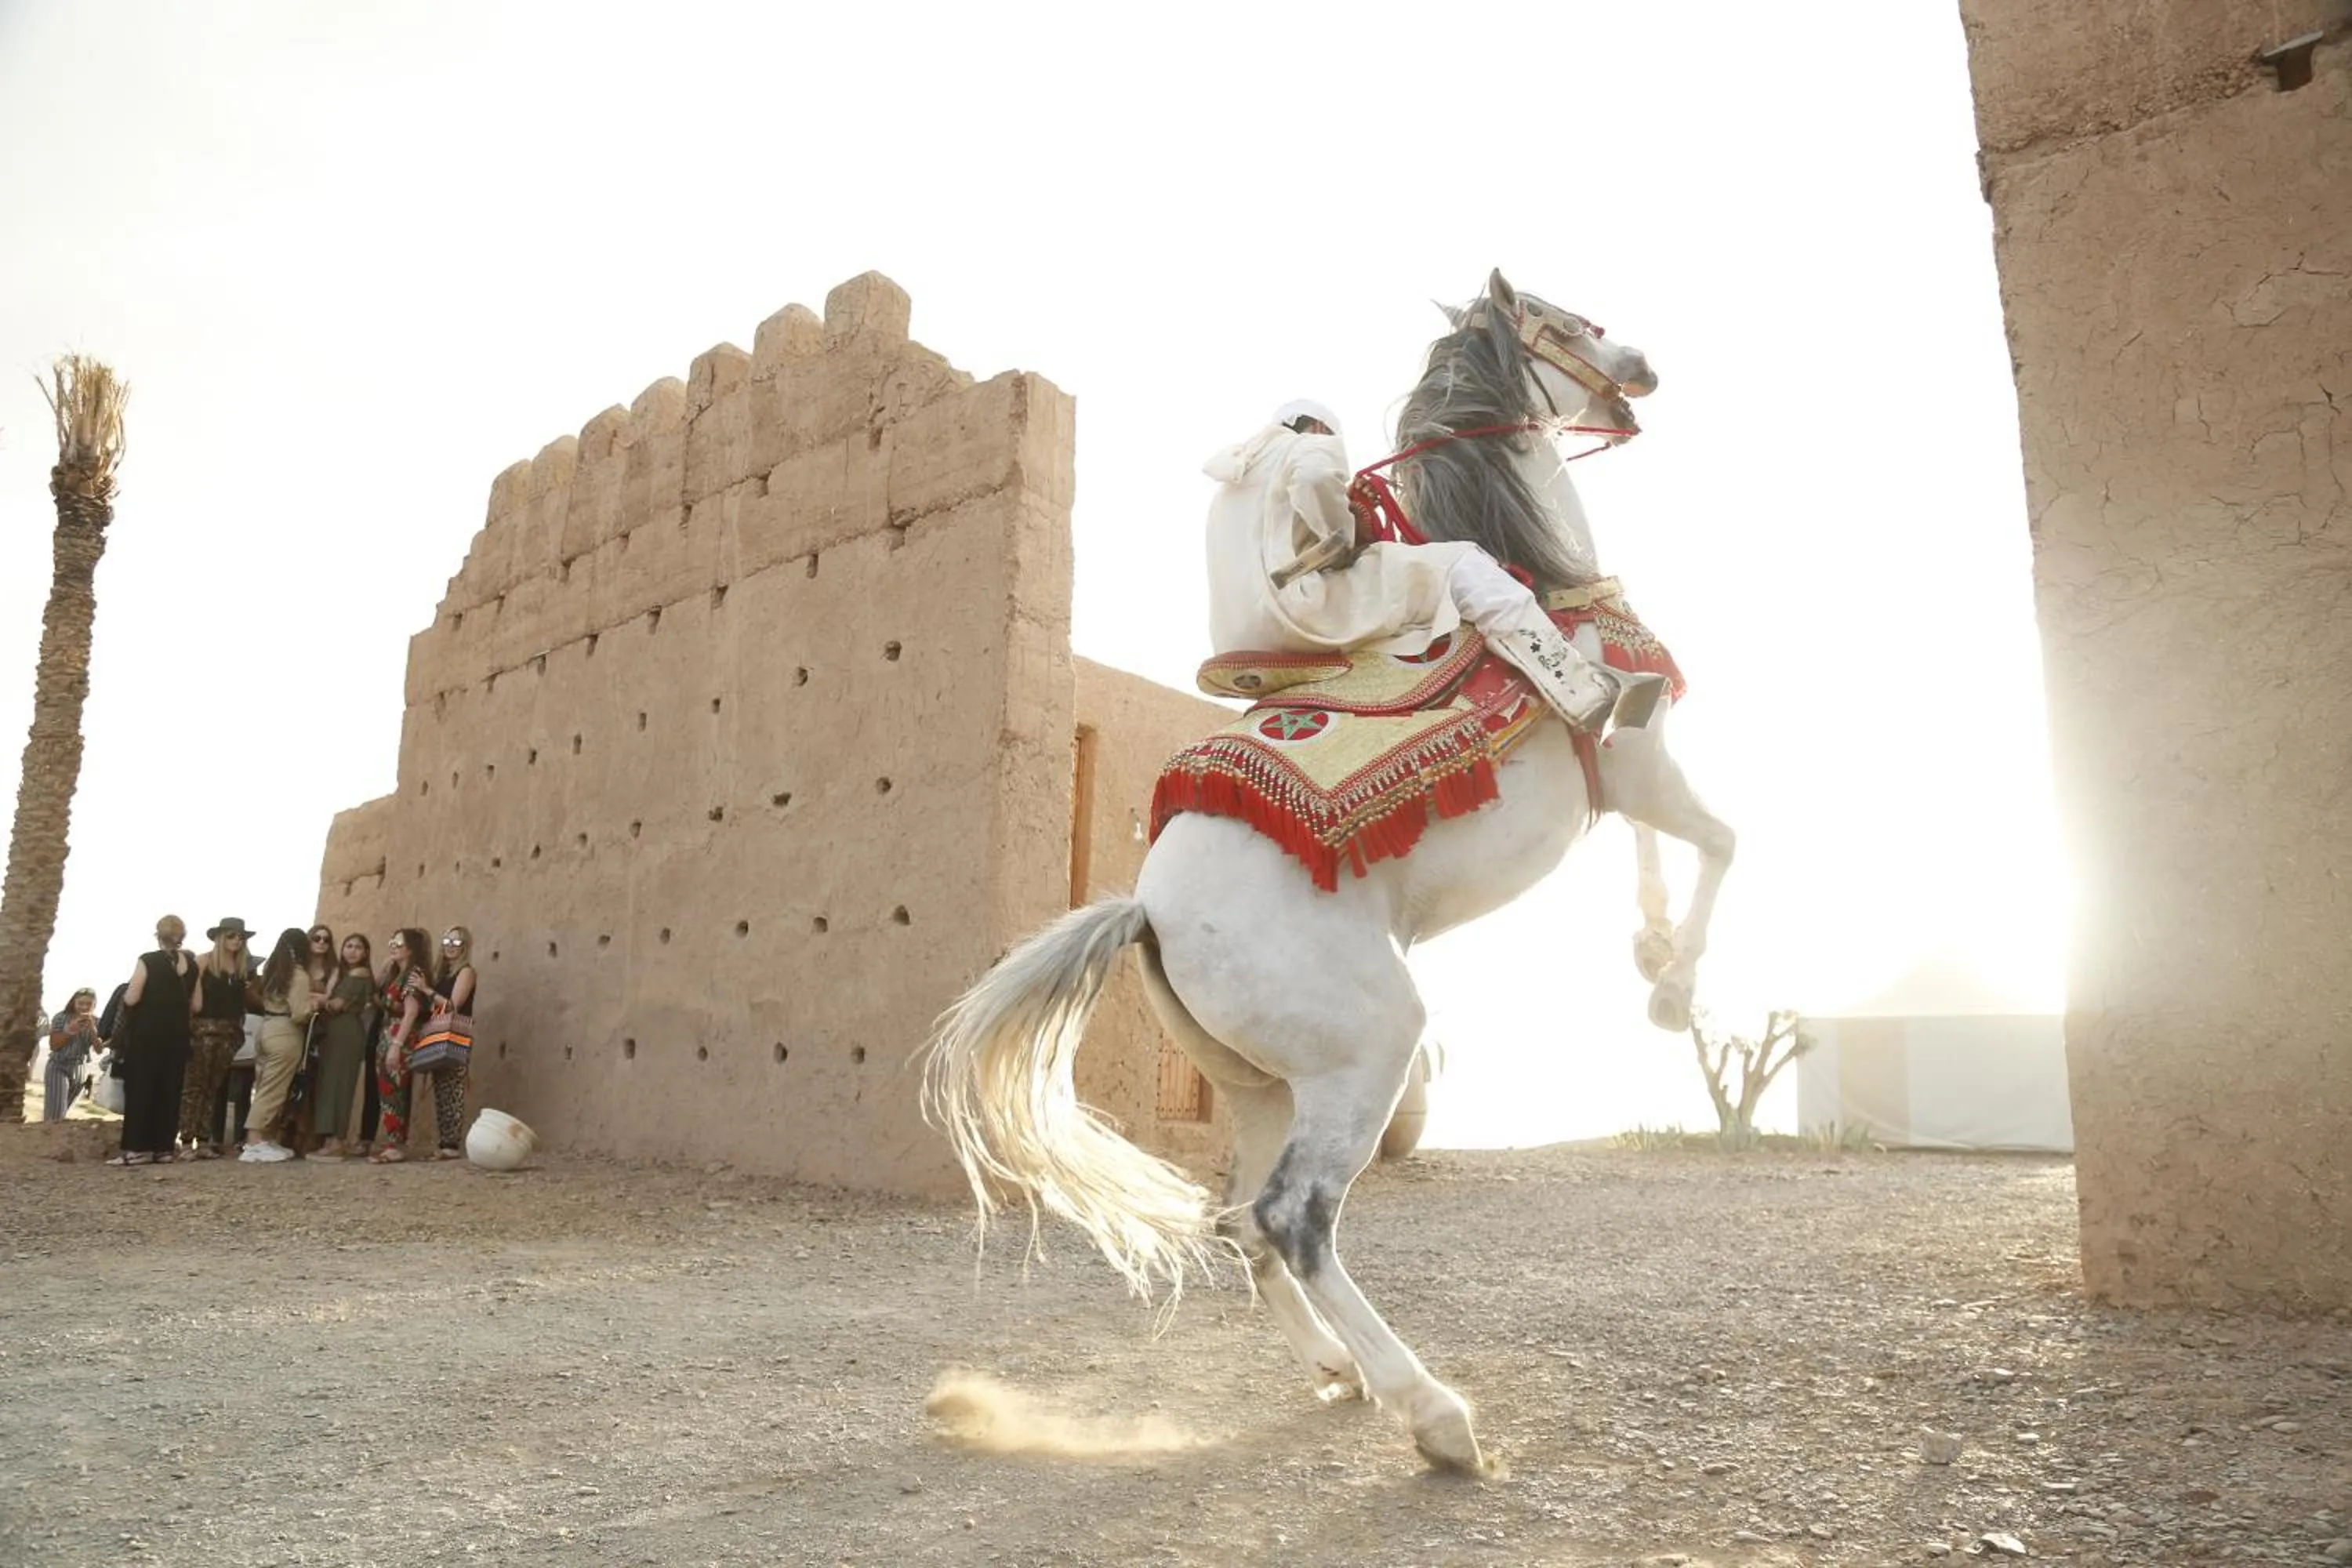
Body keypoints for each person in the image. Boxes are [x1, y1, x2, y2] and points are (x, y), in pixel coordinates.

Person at [1202, 400, 1639, 730]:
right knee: (1466, 566)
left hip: (1237, 635)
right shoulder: (1312, 444)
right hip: (1302, 611)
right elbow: (1316, 480)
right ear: (1316, 427)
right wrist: (1343, 535)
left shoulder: (1235, 479)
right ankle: (1583, 694)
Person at [109, 916, 197, 1167]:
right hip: (178, 1036)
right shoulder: (191, 965)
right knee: (170, 1091)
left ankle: (136, 1149)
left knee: (141, 1090)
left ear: (158, 935)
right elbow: (197, 1003)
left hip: (147, 1035)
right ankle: (163, 1148)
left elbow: (133, 998)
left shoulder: (148, 960)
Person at [183, 918, 256, 1159]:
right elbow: (192, 999)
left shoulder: (243, 967)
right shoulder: (204, 962)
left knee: (214, 1087)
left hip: (230, 1033)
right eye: (232, 936)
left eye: (240, 937)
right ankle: (186, 1142)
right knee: (195, 1087)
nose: (236, 941)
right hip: (203, 1030)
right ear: (220, 937)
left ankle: (204, 1141)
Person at [240, 928, 316, 1163]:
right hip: (285, 1032)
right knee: (273, 1089)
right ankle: (254, 1142)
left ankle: (263, 1138)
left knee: (265, 1084)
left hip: (267, 1027)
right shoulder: (299, 975)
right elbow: (299, 1014)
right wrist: (314, 1004)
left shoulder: (274, 971)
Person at [368, 928, 437, 1163]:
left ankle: (394, 1145)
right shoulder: (398, 973)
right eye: (392, 940)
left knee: (393, 1090)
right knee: (389, 1089)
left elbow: (411, 1012)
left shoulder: (413, 974)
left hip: (401, 1037)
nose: (393, 945)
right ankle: (392, 1142)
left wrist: (396, 1045)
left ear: (411, 948)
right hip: (390, 1034)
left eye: (398, 942)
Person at [310, 933, 373, 1159]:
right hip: (334, 1032)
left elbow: (337, 1004)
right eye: (348, 946)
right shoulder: (342, 973)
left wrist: (315, 999)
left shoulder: (359, 974)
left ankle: (336, 1140)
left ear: (366, 953)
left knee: (340, 1085)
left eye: (358, 947)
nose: (352, 951)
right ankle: (331, 1139)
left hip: (346, 1032)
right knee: (330, 1083)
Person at [42, 988, 100, 1121]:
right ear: (74, 1002)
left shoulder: (97, 1022)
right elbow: (54, 1046)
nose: (84, 1007)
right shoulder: (61, 1018)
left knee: (62, 1115)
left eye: (88, 1004)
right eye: (81, 1003)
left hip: (80, 1070)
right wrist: (70, 1031)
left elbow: (99, 1049)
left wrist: (93, 1030)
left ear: (94, 1005)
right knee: (55, 1115)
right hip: (59, 1066)